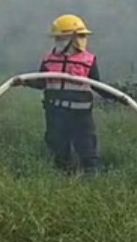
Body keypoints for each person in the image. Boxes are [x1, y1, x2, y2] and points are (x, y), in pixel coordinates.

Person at [13, 14, 125, 174]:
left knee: (87, 149)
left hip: (81, 115)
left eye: (82, 36)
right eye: (79, 36)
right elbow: (41, 83)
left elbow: (97, 85)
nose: (82, 39)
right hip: (55, 113)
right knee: (58, 149)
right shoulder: (49, 60)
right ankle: (63, 178)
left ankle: (93, 178)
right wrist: (24, 81)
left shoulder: (88, 60)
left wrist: (118, 97)